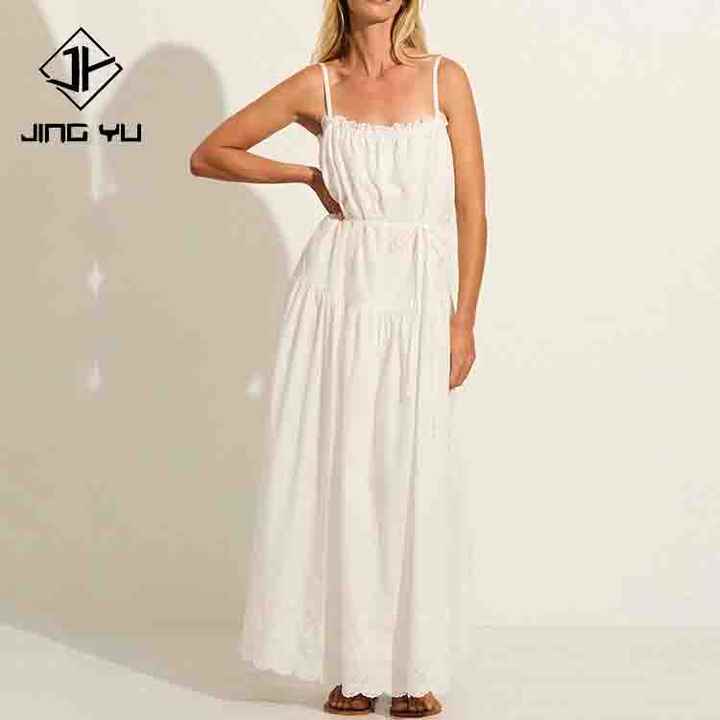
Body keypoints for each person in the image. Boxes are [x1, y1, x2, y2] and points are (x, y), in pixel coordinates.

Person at [189, 1, 486, 716]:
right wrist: (305, 174)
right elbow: (210, 153)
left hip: (418, 294)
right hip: (336, 292)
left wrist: (464, 320)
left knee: (411, 469)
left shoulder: (445, 78)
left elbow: (473, 209)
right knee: (345, 469)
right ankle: (353, 667)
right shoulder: (316, 85)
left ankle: (413, 667)